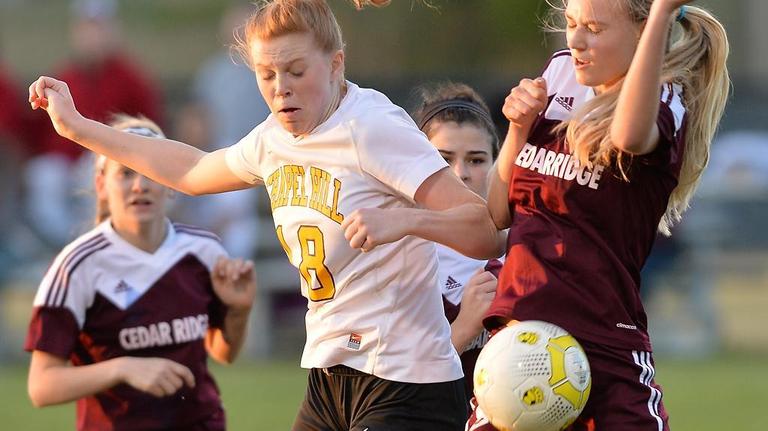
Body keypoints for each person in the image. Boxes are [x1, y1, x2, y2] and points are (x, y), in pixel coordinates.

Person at [28, 1, 503, 430]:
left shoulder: (371, 127)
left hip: (405, 380)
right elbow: (192, 169)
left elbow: (482, 230)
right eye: (266, 74)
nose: (281, 89)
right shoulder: (273, 139)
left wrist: (405, 221)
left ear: (336, 64)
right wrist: (79, 128)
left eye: (296, 71)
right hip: (328, 378)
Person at [469, 0, 729, 430]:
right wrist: (517, 127)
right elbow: (497, 213)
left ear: (645, 33)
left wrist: (662, 12)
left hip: (603, 351)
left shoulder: (666, 99)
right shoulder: (560, 71)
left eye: (593, 27)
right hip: (515, 352)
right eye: (571, 23)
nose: (575, 39)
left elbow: (626, 134)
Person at [24, 116, 257, 431]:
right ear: (101, 185)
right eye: (126, 173)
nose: (140, 184)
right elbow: (42, 387)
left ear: (172, 183)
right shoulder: (76, 266)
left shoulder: (205, 251)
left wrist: (238, 311)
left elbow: (222, 354)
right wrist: (123, 368)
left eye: (151, 171)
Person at [25, 0, 163, 247]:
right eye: (87, 28)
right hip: (65, 160)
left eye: (99, 28)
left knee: (92, 171)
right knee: (43, 176)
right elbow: (37, 131)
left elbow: (150, 129)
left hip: (107, 159)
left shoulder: (131, 78)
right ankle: (67, 245)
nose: (93, 36)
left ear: (112, 31)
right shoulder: (64, 75)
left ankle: (95, 242)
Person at [411, 82, 503, 405]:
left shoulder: (522, 254)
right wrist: (463, 328)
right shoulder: (395, 254)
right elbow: (389, 392)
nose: (460, 173)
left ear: (496, 166)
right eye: (443, 158)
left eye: (476, 160)